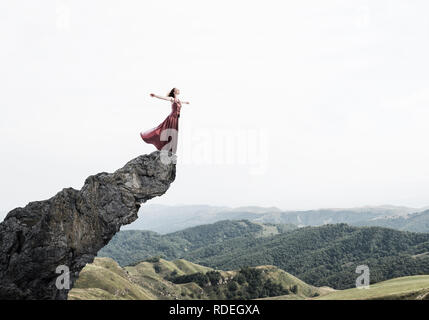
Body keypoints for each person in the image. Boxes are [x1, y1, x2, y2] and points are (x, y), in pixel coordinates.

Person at [140, 88, 190, 153]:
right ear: (174, 92)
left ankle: (169, 149)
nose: (179, 90)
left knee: (173, 133)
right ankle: (160, 144)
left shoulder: (179, 100)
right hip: (172, 118)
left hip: (176, 119)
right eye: (177, 90)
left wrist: (186, 102)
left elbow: (181, 102)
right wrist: (155, 96)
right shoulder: (172, 99)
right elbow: (164, 98)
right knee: (164, 131)